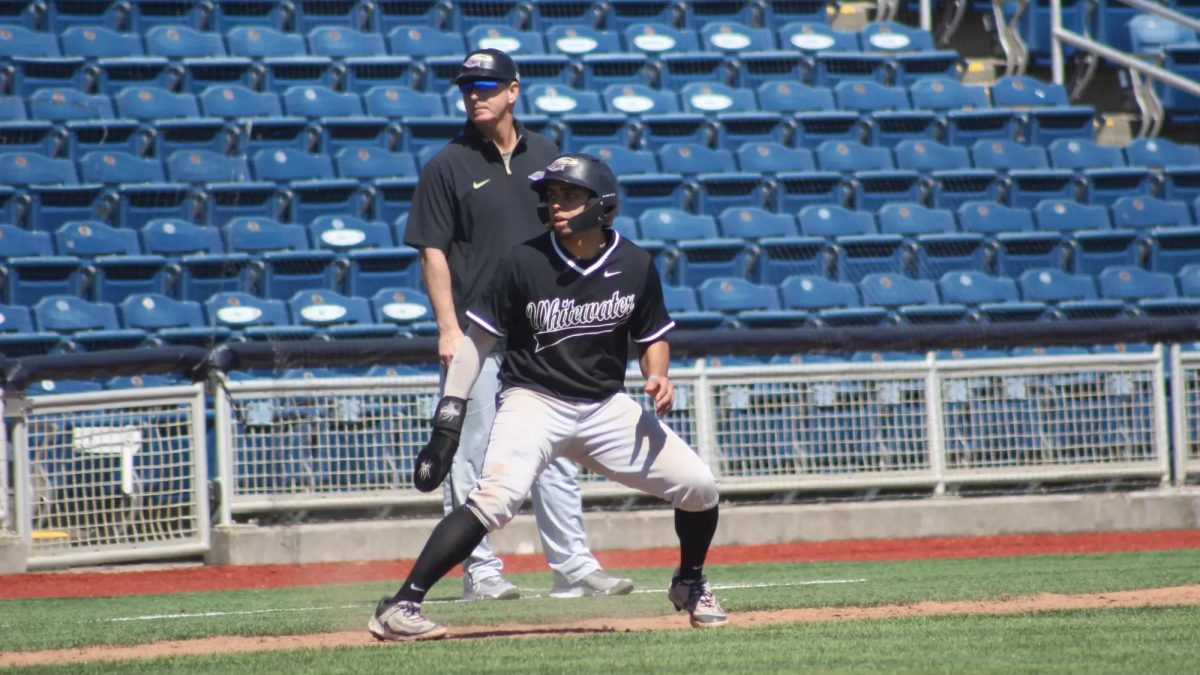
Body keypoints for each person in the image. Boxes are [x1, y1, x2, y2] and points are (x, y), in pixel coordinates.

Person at [370, 153, 727, 641]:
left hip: (605, 406)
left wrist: (657, 375)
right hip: (533, 400)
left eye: (569, 195)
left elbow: (652, 338)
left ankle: (689, 582)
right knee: (494, 501)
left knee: (699, 486)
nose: (555, 205)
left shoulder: (635, 263)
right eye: (551, 196)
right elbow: (475, 344)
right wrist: (447, 421)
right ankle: (400, 605)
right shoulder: (522, 262)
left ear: (601, 205)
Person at [402, 48, 632, 601]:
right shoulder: (447, 165)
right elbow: (432, 252)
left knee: (555, 448)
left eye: (486, 85)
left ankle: (573, 566)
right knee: (469, 450)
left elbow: (568, 241)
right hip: (477, 333)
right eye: (467, 86)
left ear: (513, 90)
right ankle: (479, 572)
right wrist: (447, 329)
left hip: (542, 330)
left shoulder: (550, 155)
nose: (475, 94)